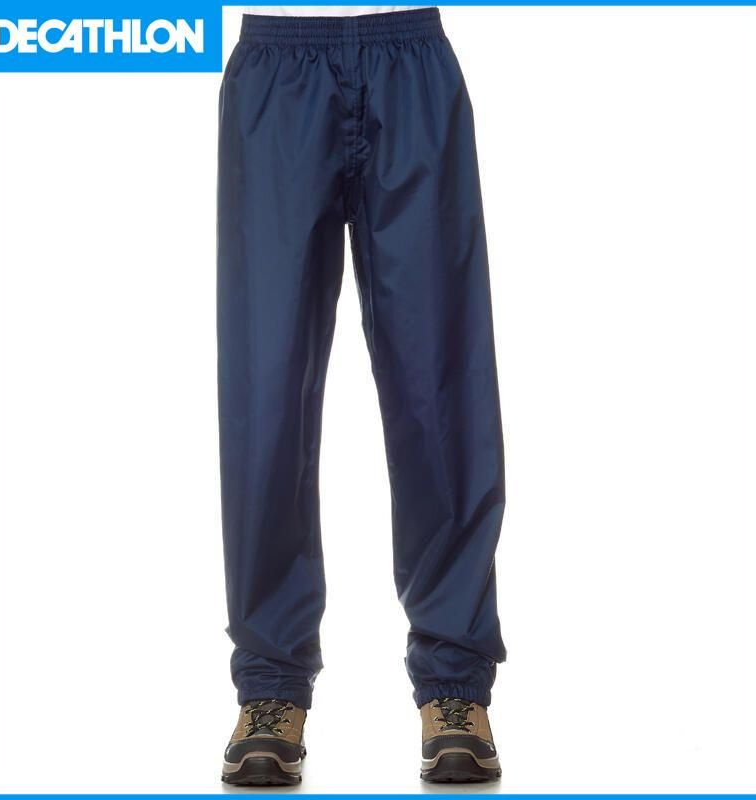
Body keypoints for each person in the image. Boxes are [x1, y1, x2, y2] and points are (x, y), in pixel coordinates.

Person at [217, 6, 506, 784]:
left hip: (413, 62)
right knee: (266, 390)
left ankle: (454, 686)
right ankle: (270, 688)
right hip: (274, 68)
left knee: (438, 382)